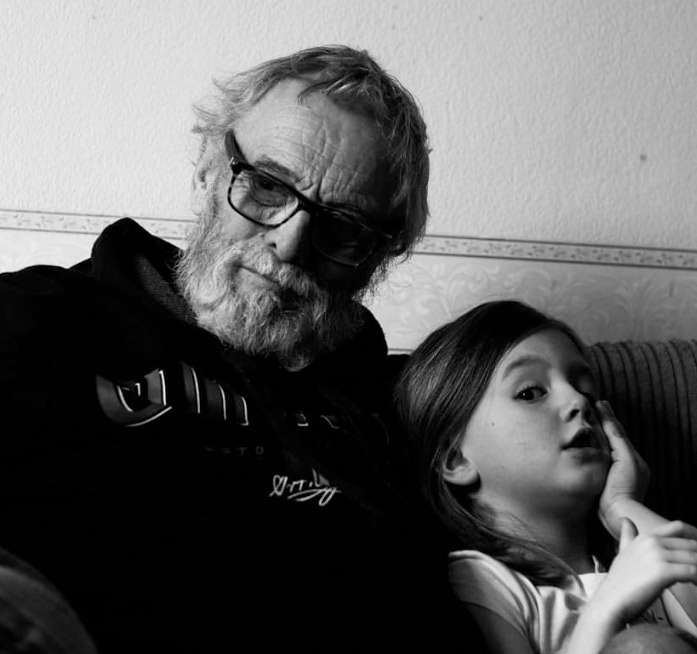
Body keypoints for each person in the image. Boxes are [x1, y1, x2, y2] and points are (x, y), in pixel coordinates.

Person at [0, 46, 486, 653]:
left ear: (378, 259)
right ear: (210, 163)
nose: (289, 242)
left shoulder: (393, 411)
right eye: (266, 185)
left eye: (344, 228)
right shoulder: (38, 318)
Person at [393, 299, 697, 654]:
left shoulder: (637, 561)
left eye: (584, 386)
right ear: (456, 458)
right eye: (530, 392)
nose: (577, 402)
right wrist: (609, 606)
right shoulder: (483, 580)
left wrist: (625, 506)